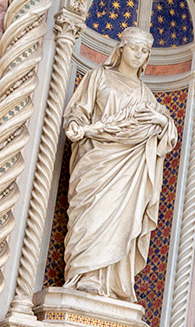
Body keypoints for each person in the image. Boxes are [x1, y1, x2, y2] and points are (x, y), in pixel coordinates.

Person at [61, 26, 178, 300]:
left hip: (129, 168)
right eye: (134, 48)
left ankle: (112, 282)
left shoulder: (145, 93)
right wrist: (76, 124)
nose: (139, 55)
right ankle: (85, 275)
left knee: (120, 220)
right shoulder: (98, 77)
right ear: (121, 48)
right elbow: (78, 110)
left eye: (145, 51)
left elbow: (165, 133)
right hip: (97, 162)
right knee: (92, 216)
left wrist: (162, 122)